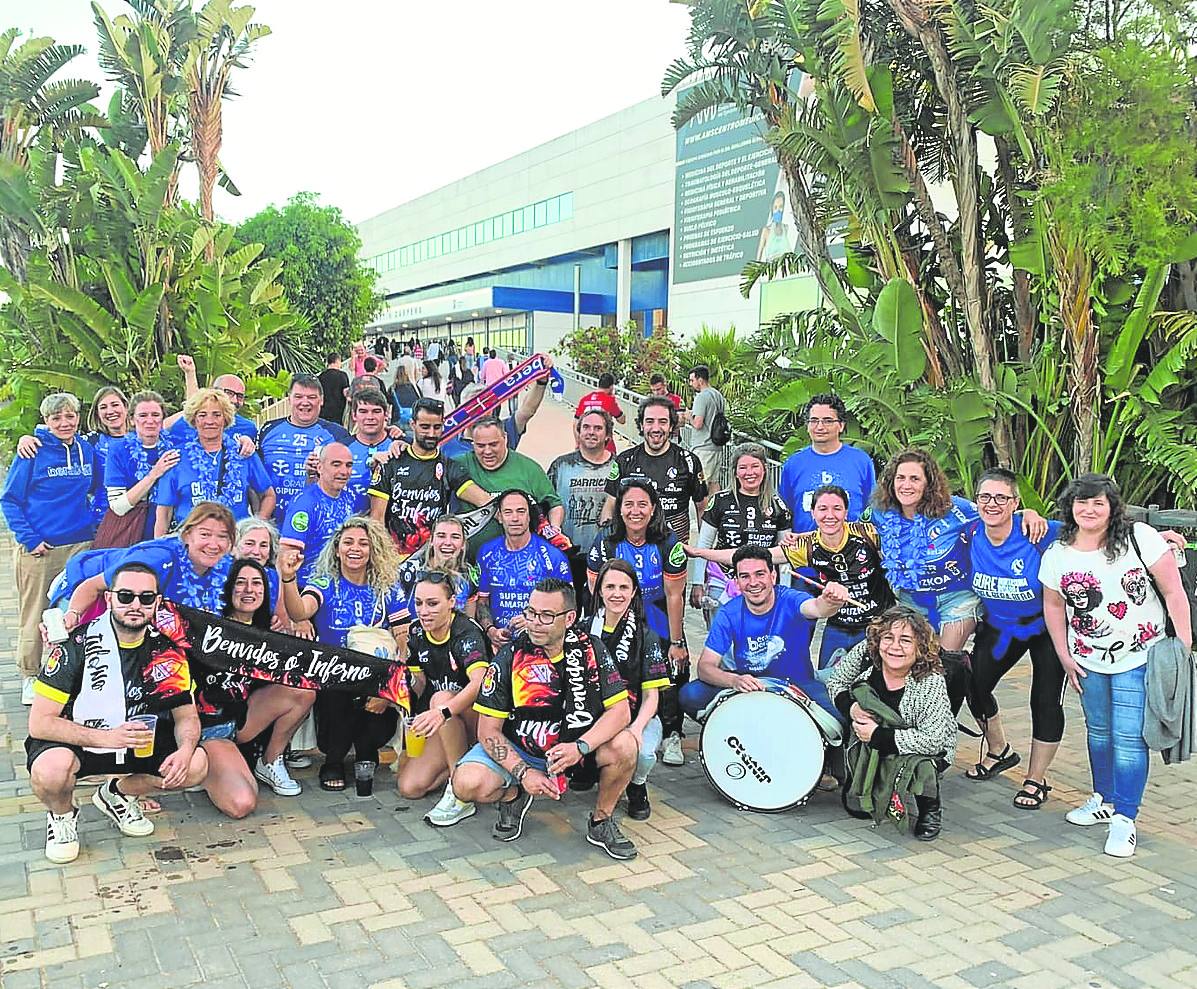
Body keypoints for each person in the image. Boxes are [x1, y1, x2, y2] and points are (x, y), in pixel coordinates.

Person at [1040, 473, 1192, 858]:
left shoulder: (1138, 537)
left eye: (1098, 503)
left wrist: (1184, 647)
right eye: (1081, 502)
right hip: (1087, 658)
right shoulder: (1058, 553)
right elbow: (1054, 606)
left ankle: (1126, 818)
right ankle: (1103, 800)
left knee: (1128, 739)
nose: (1088, 510)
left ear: (1112, 507)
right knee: (1099, 733)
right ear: (1070, 507)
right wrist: (1063, 654)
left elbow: (1174, 591)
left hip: (1140, 657)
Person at [26, 563, 207, 862]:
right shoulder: (75, 646)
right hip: (83, 738)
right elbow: (40, 723)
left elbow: (186, 716)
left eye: (146, 598)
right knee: (50, 771)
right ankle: (61, 816)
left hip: (135, 738)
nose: (135, 605)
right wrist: (105, 738)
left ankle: (118, 793)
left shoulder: (168, 650)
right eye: (126, 596)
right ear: (109, 599)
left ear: (157, 603)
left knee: (197, 764)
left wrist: (186, 750)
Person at [453, 578, 640, 859]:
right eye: (530, 613)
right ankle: (513, 797)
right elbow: (488, 732)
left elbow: (621, 711)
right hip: (523, 751)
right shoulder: (510, 656)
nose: (535, 622)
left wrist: (581, 747)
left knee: (626, 745)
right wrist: (523, 772)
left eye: (546, 616)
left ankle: (601, 820)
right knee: (465, 783)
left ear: (569, 618)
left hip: (579, 748)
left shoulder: (592, 648)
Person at [868, 449, 1046, 654]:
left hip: (957, 599)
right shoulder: (879, 513)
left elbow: (991, 512)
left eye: (915, 479)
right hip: (910, 601)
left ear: (928, 483)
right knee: (908, 661)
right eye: (900, 478)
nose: (906, 485)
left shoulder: (954, 509)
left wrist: (1027, 513)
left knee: (944, 661)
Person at [963, 469, 1066, 809]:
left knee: (1044, 700)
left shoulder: (1038, 531)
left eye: (1001, 498)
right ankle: (999, 751)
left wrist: (1156, 538)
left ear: (1015, 503)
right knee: (973, 683)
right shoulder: (970, 529)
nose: (992, 504)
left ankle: (1036, 780)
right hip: (1001, 627)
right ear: (975, 501)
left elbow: (1097, 532)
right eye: (985, 497)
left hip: (1045, 628)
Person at [278, 517, 404, 792]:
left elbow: (403, 636)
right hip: (335, 675)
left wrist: (392, 683)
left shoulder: (388, 587)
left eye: (363, 543)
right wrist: (288, 578)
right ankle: (333, 760)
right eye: (347, 542)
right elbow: (300, 612)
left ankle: (365, 752)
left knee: (378, 708)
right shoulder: (324, 583)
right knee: (337, 696)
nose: (355, 548)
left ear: (374, 550)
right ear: (337, 549)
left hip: (376, 676)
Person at [193, 558, 315, 814]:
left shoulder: (266, 630)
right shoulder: (207, 626)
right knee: (242, 804)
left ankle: (270, 761)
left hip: (244, 720)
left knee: (304, 690)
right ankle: (202, 767)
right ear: (229, 588)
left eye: (257, 583)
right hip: (210, 728)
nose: (249, 589)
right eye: (241, 583)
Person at [826, 606, 957, 841]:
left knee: (923, 765)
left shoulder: (931, 681)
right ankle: (869, 786)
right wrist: (852, 708)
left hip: (919, 747)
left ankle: (930, 807)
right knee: (856, 808)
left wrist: (877, 736)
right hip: (871, 735)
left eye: (906, 640)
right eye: (888, 637)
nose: (894, 647)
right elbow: (836, 682)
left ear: (920, 647)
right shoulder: (865, 654)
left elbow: (933, 740)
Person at [1, 392, 99, 705]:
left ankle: (68, 672)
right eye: (57, 418)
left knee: (73, 611)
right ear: (46, 421)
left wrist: (94, 525)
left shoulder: (86, 449)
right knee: (35, 614)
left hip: (80, 545)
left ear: (78, 417)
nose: (64, 422)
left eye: (70, 416)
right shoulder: (33, 451)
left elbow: (100, 489)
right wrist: (30, 539)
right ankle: (30, 674)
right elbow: (10, 499)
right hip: (41, 549)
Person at [680, 546, 847, 723]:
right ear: (736, 582)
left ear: (773, 576)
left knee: (840, 715)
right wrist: (734, 680)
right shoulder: (729, 612)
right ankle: (734, 727)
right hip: (751, 686)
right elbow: (705, 666)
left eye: (760, 574)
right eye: (745, 576)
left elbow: (817, 608)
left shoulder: (790, 599)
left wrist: (832, 600)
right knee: (690, 694)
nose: (753, 582)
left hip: (796, 685)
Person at [398, 571, 491, 826]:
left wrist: (443, 711)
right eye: (418, 603)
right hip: (447, 723)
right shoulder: (417, 633)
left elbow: (480, 681)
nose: (424, 611)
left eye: (432, 603)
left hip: (478, 720)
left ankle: (459, 792)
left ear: (451, 602)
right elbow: (419, 686)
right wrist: (397, 677)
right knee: (410, 787)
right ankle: (464, 769)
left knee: (440, 699)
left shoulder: (466, 632)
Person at [587, 559, 670, 820]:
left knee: (642, 752)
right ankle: (590, 773)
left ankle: (637, 784)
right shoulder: (580, 629)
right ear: (598, 590)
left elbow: (651, 697)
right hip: (592, 717)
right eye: (610, 586)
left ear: (633, 592)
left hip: (635, 717)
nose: (616, 594)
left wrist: (635, 729)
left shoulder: (647, 636)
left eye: (624, 587)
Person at [63, 502, 237, 624]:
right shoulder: (156, 560)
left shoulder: (226, 566)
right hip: (85, 589)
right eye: (205, 535)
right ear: (186, 535)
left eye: (222, 536)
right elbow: (92, 586)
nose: (214, 544)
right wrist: (72, 615)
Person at [369, 397, 493, 557]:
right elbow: (376, 519)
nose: (431, 434)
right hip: (394, 559)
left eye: (437, 427)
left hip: (432, 559)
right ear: (412, 425)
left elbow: (483, 500)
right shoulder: (390, 463)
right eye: (425, 427)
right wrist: (382, 559)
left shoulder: (450, 467)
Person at [587, 478, 687, 668]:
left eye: (642, 505)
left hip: (657, 613)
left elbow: (674, 595)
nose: (635, 511)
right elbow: (595, 590)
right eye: (628, 505)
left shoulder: (669, 541)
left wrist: (676, 642)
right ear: (619, 508)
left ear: (653, 509)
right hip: (616, 612)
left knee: (672, 674)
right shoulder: (605, 540)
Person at [686, 443, 792, 615]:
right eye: (743, 467)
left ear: (764, 469)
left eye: (755, 466)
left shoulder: (778, 505)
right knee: (721, 638)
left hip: (762, 585)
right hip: (722, 580)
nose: (750, 473)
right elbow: (703, 544)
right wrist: (697, 582)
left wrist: (785, 591)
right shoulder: (720, 501)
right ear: (735, 472)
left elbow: (786, 553)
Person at [153, 388, 276, 534]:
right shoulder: (176, 458)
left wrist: (254, 529)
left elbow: (269, 496)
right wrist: (160, 549)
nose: (209, 421)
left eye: (216, 415)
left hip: (235, 544)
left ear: (225, 419)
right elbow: (164, 514)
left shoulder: (243, 453)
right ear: (194, 419)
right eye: (202, 415)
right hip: (190, 545)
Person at [477, 491, 573, 653]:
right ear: (499, 517)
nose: (515, 518)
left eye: (521, 511)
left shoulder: (553, 556)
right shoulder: (486, 552)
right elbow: (482, 602)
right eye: (508, 512)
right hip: (498, 646)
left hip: (540, 646)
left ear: (529, 516)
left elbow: (569, 609)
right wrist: (491, 631)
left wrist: (533, 622)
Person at [603, 397, 707, 544]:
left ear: (671, 426)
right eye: (650, 421)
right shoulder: (625, 460)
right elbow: (610, 504)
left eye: (663, 422)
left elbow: (702, 507)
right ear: (641, 425)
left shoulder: (689, 461)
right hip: (632, 548)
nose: (656, 428)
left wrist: (704, 550)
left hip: (674, 551)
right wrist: (606, 540)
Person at [456, 416, 564, 552]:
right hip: (468, 561)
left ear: (505, 438)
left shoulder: (528, 468)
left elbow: (554, 505)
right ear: (473, 443)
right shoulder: (459, 464)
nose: (487, 451)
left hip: (521, 561)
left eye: (494, 444)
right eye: (481, 446)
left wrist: (553, 533)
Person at [778, 393, 876, 534]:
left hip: (852, 549)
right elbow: (786, 509)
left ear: (841, 425)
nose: (820, 426)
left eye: (828, 421)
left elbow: (870, 506)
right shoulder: (793, 464)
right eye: (814, 420)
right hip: (806, 550)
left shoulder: (861, 461)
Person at [258, 374, 351, 523]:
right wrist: (259, 520)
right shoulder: (268, 429)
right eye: (299, 396)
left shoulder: (338, 434)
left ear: (321, 400)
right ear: (289, 399)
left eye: (312, 397)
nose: (305, 402)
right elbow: (255, 478)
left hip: (320, 524)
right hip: (273, 524)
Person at [440, 355, 557, 460]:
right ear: (461, 409)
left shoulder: (504, 431)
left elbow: (527, 411)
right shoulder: (448, 440)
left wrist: (541, 383)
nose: (480, 414)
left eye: (485, 407)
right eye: (473, 408)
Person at [102, 391, 181, 545]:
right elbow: (118, 507)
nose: (150, 421)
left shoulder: (176, 446)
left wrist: (243, 440)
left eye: (155, 415)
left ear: (163, 418)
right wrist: (154, 474)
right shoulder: (119, 450)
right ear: (132, 419)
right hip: (132, 532)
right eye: (143, 415)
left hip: (170, 529)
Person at [279, 442, 361, 583]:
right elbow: (286, 556)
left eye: (348, 465)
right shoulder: (304, 503)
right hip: (306, 588)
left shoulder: (350, 497)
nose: (344, 471)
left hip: (339, 586)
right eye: (336, 464)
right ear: (320, 467)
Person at [548, 409, 615, 555]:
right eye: (586, 427)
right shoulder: (560, 466)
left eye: (598, 428)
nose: (591, 432)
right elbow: (547, 504)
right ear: (578, 432)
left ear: (608, 435)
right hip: (567, 552)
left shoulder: (618, 467)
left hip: (607, 553)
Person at [171, 355, 259, 444]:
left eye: (240, 396)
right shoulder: (183, 424)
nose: (234, 400)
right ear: (214, 392)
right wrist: (190, 373)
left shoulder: (248, 428)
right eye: (229, 393)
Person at [682, 365, 726, 499]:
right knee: (714, 484)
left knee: (700, 485)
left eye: (692, 380)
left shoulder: (701, 397)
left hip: (703, 447)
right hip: (717, 446)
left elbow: (698, 423)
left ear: (700, 380)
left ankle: (701, 516)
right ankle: (715, 514)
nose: (691, 383)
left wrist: (688, 416)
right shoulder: (718, 395)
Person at [346, 388, 394, 508]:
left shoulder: (398, 446)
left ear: (386, 414)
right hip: (350, 522)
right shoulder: (342, 447)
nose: (370, 417)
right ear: (354, 415)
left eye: (376, 411)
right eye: (363, 411)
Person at [575, 373, 626, 455]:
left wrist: (578, 443)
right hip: (605, 446)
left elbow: (575, 423)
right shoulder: (609, 400)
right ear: (611, 387)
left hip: (585, 445)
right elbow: (622, 420)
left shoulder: (584, 400)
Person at [756, 191, 791, 262]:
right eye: (775, 207)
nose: (778, 210)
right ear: (772, 209)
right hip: (771, 270)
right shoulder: (766, 231)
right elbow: (758, 258)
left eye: (781, 207)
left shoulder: (786, 228)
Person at [318, 353, 350, 426]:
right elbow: (346, 393)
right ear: (337, 361)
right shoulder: (342, 375)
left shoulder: (321, 376)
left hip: (323, 412)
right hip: (337, 412)